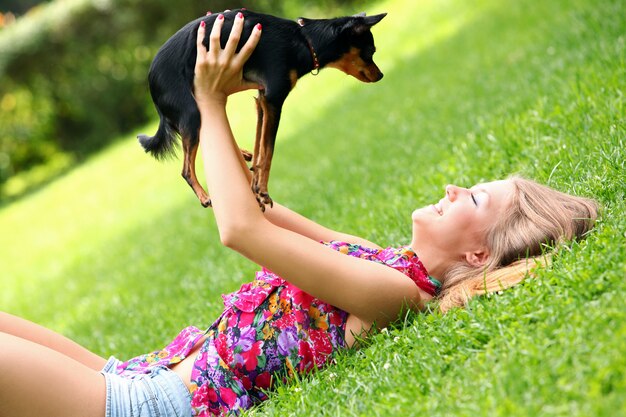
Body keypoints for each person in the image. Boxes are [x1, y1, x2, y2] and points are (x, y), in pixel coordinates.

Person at [0, 13, 598, 417]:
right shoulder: (380, 259)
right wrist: (221, 123)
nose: (452, 185)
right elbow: (262, 209)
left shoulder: (395, 295)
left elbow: (241, 230)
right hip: (142, 370)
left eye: (472, 198)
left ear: (477, 255)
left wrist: (208, 102)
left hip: (154, 405)